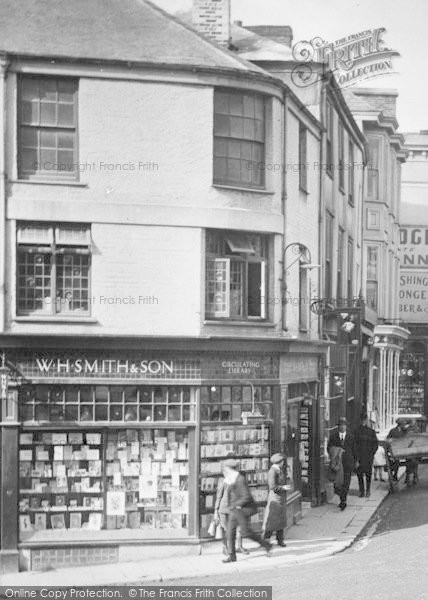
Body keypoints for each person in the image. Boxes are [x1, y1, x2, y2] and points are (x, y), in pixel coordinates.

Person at [222, 458, 271, 563]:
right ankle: (232, 556)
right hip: (234, 510)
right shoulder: (230, 478)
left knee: (246, 532)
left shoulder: (240, 479)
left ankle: (266, 544)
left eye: (226, 468)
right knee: (230, 533)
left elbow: (246, 496)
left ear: (231, 469)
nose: (225, 471)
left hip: (242, 509)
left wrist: (235, 505)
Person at [327, 417, 357, 511]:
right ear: (338, 426)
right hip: (337, 464)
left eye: (344, 425)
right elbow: (329, 448)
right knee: (337, 483)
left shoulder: (351, 437)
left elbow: (355, 450)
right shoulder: (333, 436)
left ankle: (343, 500)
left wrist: (356, 461)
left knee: (346, 482)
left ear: (346, 427)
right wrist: (337, 451)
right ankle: (341, 496)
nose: (342, 427)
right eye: (341, 425)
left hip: (348, 462)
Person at [214, 476, 249, 556]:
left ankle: (239, 546)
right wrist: (216, 511)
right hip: (224, 509)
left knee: (239, 528)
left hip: (236, 508)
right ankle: (225, 548)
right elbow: (219, 497)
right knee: (226, 529)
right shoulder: (223, 481)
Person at [263, 453, 289, 547]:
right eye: (282, 461)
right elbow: (272, 486)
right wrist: (283, 488)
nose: (283, 463)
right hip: (275, 499)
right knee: (272, 520)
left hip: (280, 498)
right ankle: (266, 539)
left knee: (280, 520)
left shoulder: (278, 470)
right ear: (279, 462)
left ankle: (280, 539)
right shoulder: (273, 471)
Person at [354, 415, 378, 497]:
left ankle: (366, 490)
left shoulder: (369, 432)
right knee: (362, 474)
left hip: (365, 456)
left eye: (364, 420)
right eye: (363, 420)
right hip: (362, 456)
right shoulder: (358, 431)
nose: (363, 421)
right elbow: (354, 444)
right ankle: (363, 491)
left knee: (365, 474)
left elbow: (375, 444)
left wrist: (372, 453)